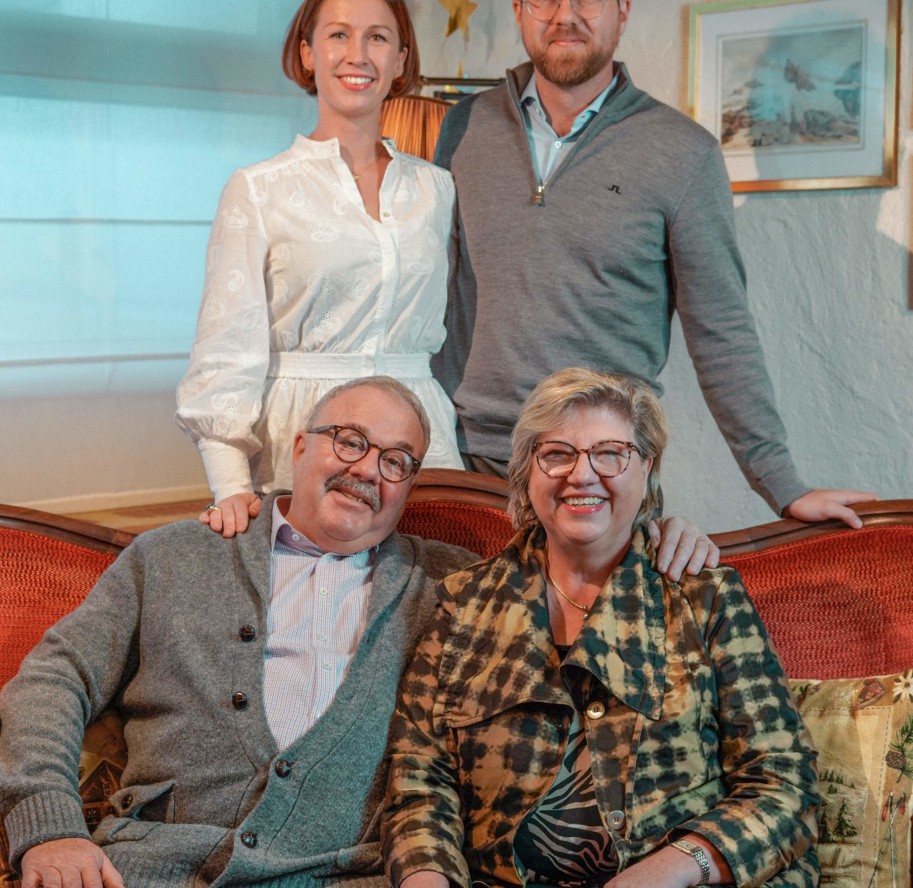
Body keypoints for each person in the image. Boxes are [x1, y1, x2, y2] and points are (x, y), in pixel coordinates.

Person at [0, 376, 713, 888]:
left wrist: (651, 539)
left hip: (352, 872)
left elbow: (577, 572)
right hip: (152, 864)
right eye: (349, 441)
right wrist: (50, 824)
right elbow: (53, 679)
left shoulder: (457, 588)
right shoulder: (174, 557)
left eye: (395, 460)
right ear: (301, 444)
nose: (368, 469)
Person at [431, 0, 876, 528]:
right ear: (518, 10)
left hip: (601, 474)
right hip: (468, 464)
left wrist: (782, 484)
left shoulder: (683, 152)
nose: (565, 14)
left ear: (622, 12)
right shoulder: (464, 127)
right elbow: (431, 291)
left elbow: (721, 331)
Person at [382, 368, 820, 888]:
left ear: (646, 468)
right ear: (527, 473)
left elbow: (783, 786)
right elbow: (418, 785)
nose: (581, 474)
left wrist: (668, 872)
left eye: (610, 452)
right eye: (557, 454)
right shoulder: (464, 604)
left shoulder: (704, 597)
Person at [176, 0, 462, 541]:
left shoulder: (436, 189)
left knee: (430, 606)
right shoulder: (258, 189)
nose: (358, 55)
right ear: (307, 53)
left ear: (401, 59)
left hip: (418, 440)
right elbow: (224, 346)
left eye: (378, 38)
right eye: (338, 35)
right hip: (304, 438)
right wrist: (230, 483)